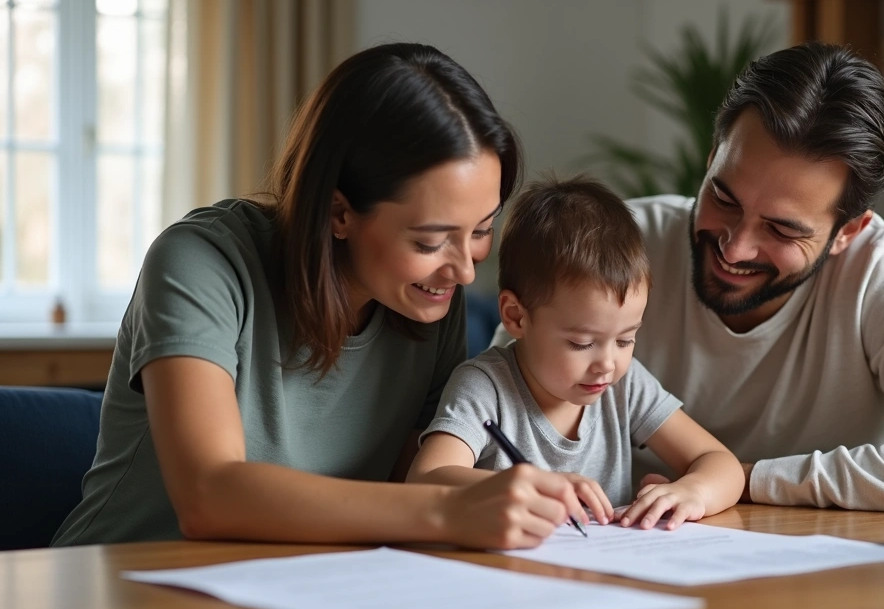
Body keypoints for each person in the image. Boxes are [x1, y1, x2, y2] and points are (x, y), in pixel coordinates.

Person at [52, 43, 590, 550]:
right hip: (126, 585)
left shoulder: (428, 299)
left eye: (480, 231)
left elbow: (413, 481)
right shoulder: (201, 263)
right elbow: (209, 495)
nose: (465, 270)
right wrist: (447, 509)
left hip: (294, 591)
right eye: (430, 240)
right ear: (339, 213)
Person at [500, 41, 884, 515]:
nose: (735, 246)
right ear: (712, 158)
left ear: (847, 232)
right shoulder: (612, 252)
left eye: (782, 229)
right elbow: (499, 407)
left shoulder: (879, 273)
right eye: (723, 196)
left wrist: (740, 478)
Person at [408, 176, 744, 531]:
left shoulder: (625, 386)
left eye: (626, 340)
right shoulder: (485, 386)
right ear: (516, 316)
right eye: (582, 343)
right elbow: (425, 478)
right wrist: (527, 486)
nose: (607, 364)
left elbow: (720, 462)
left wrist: (692, 491)